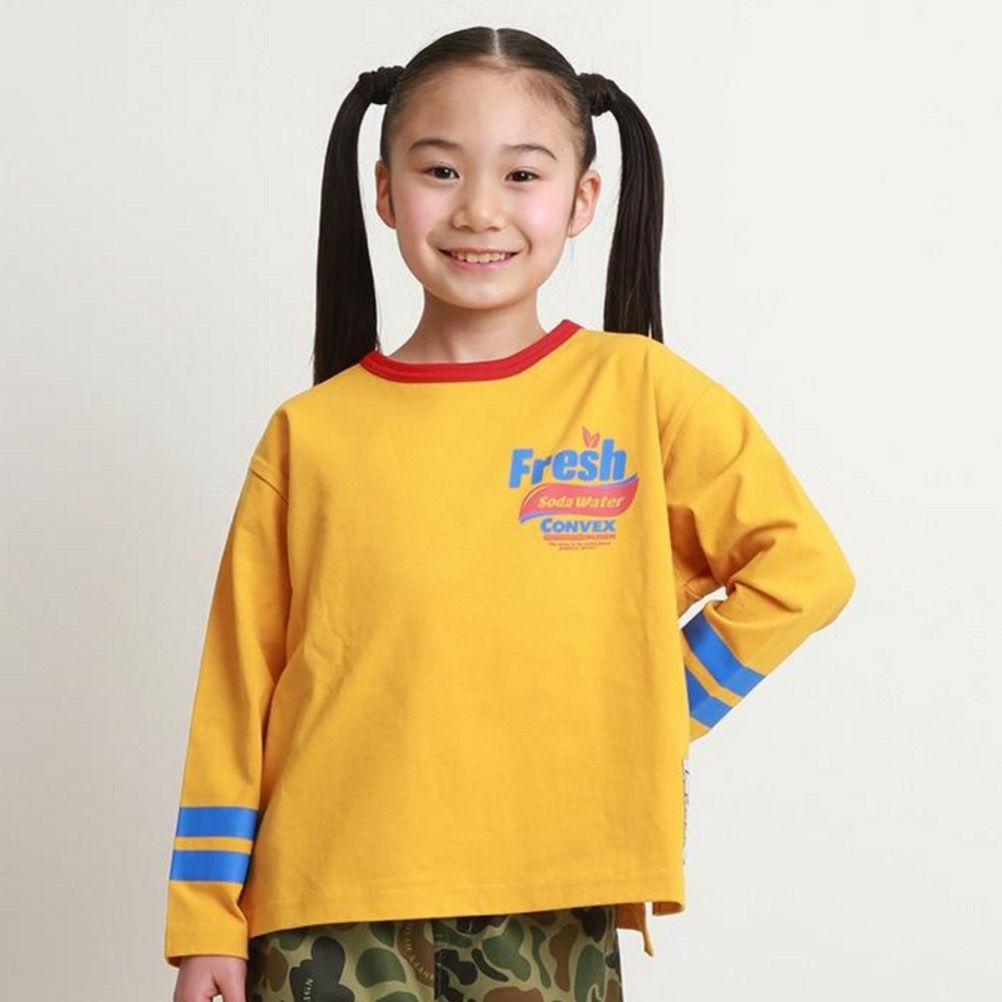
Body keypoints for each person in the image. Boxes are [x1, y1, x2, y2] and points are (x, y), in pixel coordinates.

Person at [164, 25, 856, 1002]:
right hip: (327, 902)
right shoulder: (308, 434)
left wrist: (655, 708)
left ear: (582, 200)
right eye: (440, 170)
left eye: (522, 174)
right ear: (383, 191)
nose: (479, 209)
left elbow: (803, 571)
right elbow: (238, 693)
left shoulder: (640, 391)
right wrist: (205, 921)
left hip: (554, 888)